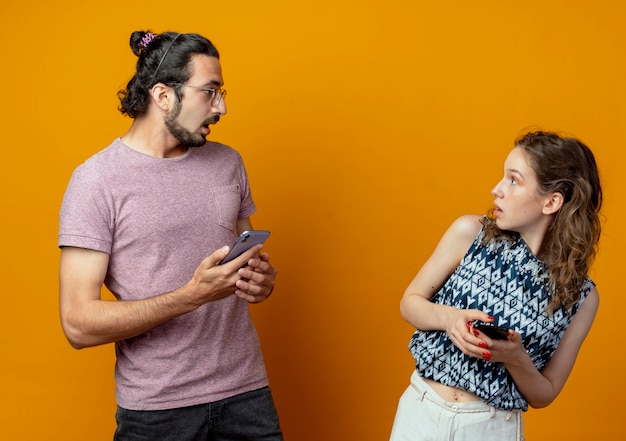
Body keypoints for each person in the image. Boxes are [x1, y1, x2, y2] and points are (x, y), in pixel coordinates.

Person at [58, 30, 283, 441]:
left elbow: (242, 262)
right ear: (163, 95)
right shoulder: (96, 182)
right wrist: (190, 296)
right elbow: (77, 323)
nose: (222, 107)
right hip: (158, 412)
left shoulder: (228, 163)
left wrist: (260, 281)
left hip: (246, 395)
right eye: (210, 92)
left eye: (222, 92)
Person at [389, 130, 602, 441]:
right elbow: (410, 302)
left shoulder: (581, 296)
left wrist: (515, 356)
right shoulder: (470, 233)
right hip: (421, 412)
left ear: (551, 201)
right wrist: (449, 319)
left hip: (491, 428)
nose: (497, 190)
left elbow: (545, 393)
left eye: (513, 180)